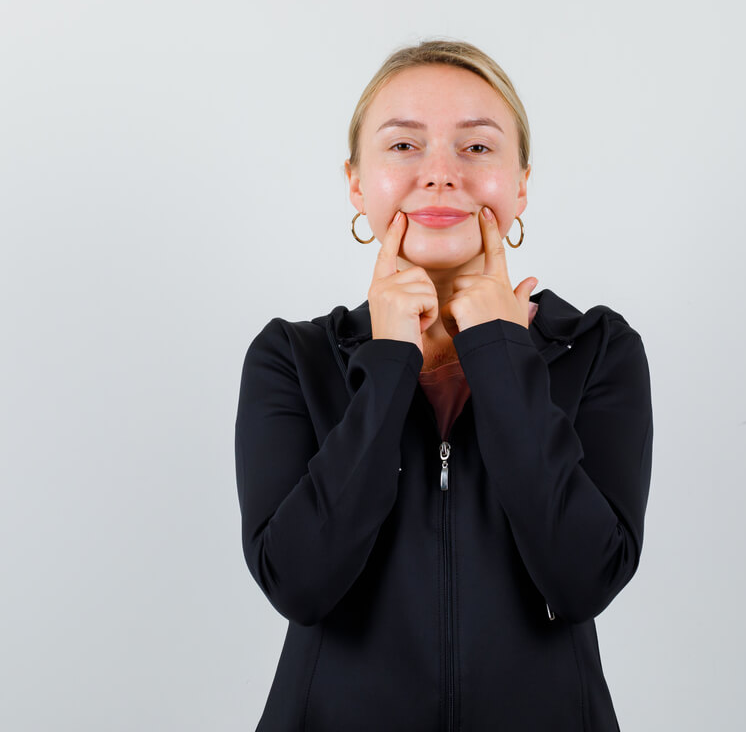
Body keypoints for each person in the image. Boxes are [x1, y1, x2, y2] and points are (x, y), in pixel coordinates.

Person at [234, 39, 653, 731]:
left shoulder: (597, 348)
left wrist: (500, 355)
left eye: (476, 147)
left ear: (521, 184)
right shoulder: (292, 357)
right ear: (356, 183)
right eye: (403, 146)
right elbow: (300, 585)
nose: (439, 175)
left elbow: (583, 581)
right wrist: (389, 360)